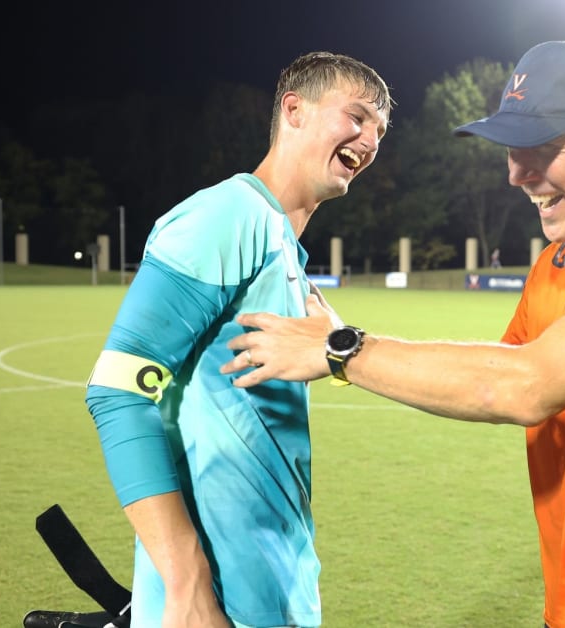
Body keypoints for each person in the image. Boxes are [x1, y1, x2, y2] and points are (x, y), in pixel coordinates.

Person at [221, 40, 565, 627]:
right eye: (514, 150)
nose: (518, 174)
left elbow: (523, 386)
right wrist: (337, 338)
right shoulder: (558, 263)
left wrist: (340, 349)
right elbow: (488, 374)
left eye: (542, 147)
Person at [84, 51, 391, 628]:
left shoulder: (283, 247)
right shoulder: (228, 215)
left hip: (268, 580)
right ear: (294, 111)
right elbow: (117, 391)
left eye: (379, 129)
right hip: (213, 599)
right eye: (357, 116)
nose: (370, 139)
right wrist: (187, 582)